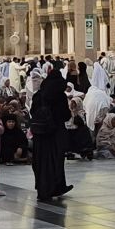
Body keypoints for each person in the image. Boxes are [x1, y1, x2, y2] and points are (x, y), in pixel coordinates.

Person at [30, 65, 74, 202]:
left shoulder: (39, 95)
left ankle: (43, 189)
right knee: (56, 161)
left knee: (41, 161)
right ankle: (55, 186)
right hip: (55, 133)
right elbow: (66, 116)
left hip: (40, 133)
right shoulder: (59, 97)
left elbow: (32, 112)